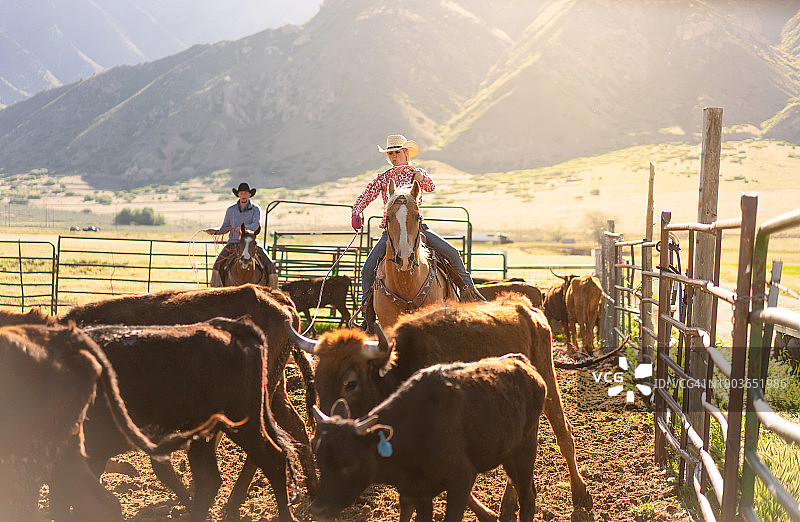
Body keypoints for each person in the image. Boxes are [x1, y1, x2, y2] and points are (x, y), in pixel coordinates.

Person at [351, 134, 483, 308]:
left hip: (418, 229)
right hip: (391, 232)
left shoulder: (417, 173)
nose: (394, 156)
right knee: (367, 269)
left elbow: (431, 186)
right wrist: (356, 211)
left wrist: (422, 179)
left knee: (453, 253)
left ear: (406, 153)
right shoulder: (382, 178)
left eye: (397, 152)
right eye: (390, 154)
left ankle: (472, 295)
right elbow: (366, 195)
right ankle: (366, 312)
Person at [204, 182, 277, 287]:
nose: (243, 195)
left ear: (250, 195)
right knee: (217, 265)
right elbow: (225, 226)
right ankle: (216, 291)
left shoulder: (256, 209)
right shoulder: (231, 210)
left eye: (246, 193)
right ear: (238, 195)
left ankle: (273, 290)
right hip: (233, 243)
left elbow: (256, 224)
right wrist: (215, 231)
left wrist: (244, 229)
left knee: (269, 264)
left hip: (250, 242)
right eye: (241, 193)